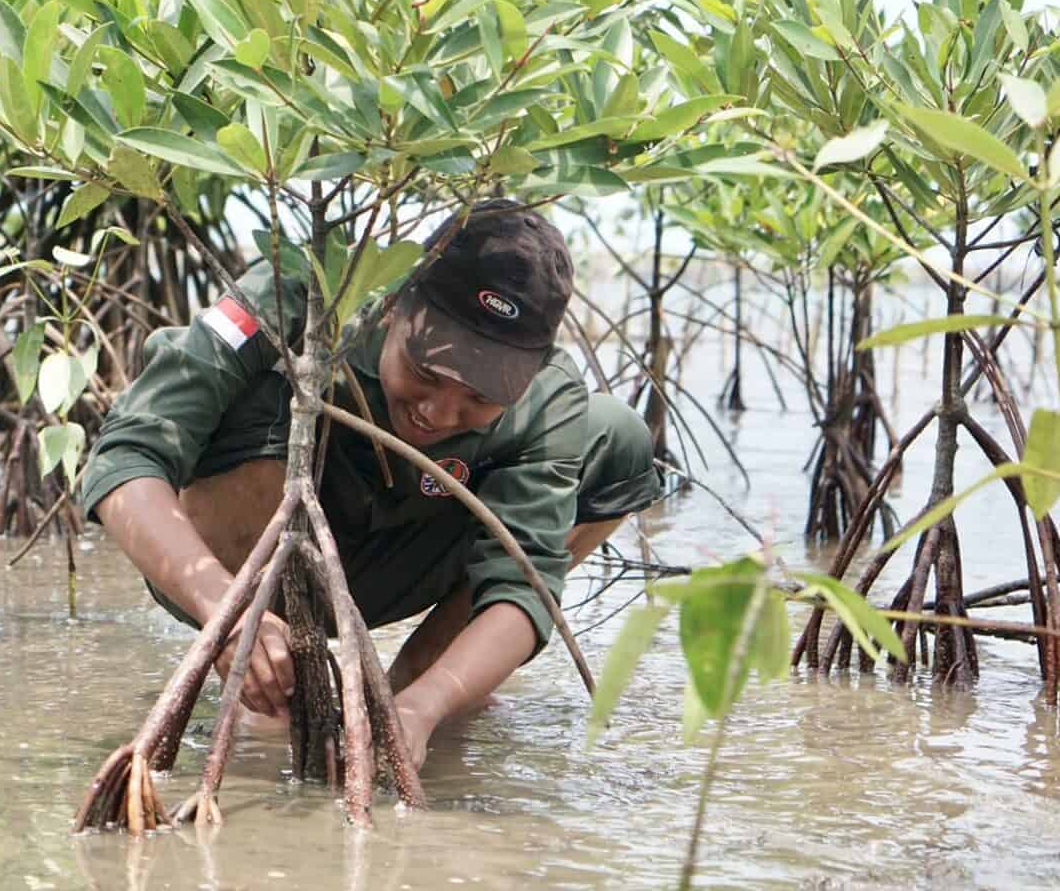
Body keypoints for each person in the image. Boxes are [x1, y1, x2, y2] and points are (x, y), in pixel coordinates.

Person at [80, 202, 660, 769]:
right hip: (237, 564)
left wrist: (424, 707)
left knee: (614, 439)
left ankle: (414, 687)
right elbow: (128, 453)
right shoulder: (305, 291)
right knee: (259, 394)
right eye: (425, 371)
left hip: (388, 560)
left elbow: (525, 585)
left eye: (481, 398)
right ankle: (272, 688)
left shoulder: (547, 394)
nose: (438, 410)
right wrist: (221, 609)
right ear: (392, 308)